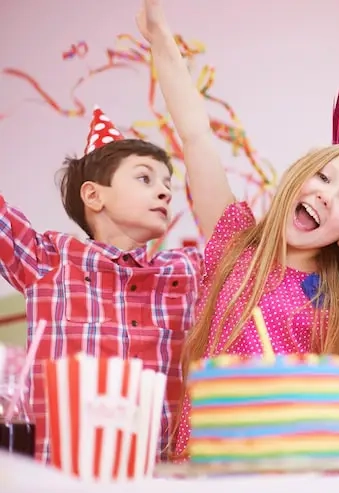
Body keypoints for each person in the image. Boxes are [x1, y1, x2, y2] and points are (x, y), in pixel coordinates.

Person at [136, 0, 339, 459]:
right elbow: (195, 135)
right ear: (301, 175)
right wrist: (159, 36)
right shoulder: (235, 242)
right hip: (201, 465)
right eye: (324, 177)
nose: (327, 196)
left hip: (290, 470)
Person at [0, 107, 202, 462]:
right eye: (145, 178)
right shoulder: (47, 260)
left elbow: (250, 258)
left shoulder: (185, 273)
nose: (165, 192)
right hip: (62, 474)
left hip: (160, 475)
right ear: (93, 196)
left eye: (168, 184)